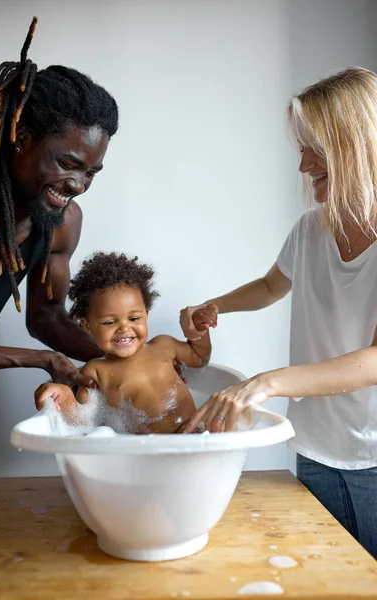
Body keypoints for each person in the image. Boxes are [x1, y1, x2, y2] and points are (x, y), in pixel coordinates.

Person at [180, 67, 377, 559]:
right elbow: (272, 285)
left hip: (374, 458)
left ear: (357, 143)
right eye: (301, 149)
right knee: (330, 574)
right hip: (313, 445)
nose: (304, 164)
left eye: (314, 147)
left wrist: (265, 382)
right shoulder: (311, 229)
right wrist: (216, 305)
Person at [0, 17, 119, 482]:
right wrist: (42, 360)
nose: (78, 186)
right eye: (68, 164)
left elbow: (46, 318)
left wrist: (121, 358)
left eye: (92, 173)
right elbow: (43, 346)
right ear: (21, 138)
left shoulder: (60, 222)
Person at [34, 252, 217, 434]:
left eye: (134, 318)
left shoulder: (164, 346)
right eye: (109, 322)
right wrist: (64, 395)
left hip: (195, 433)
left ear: (146, 312)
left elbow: (199, 358)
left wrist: (200, 331)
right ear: (88, 326)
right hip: (147, 449)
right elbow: (82, 420)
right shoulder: (96, 371)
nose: (124, 328)